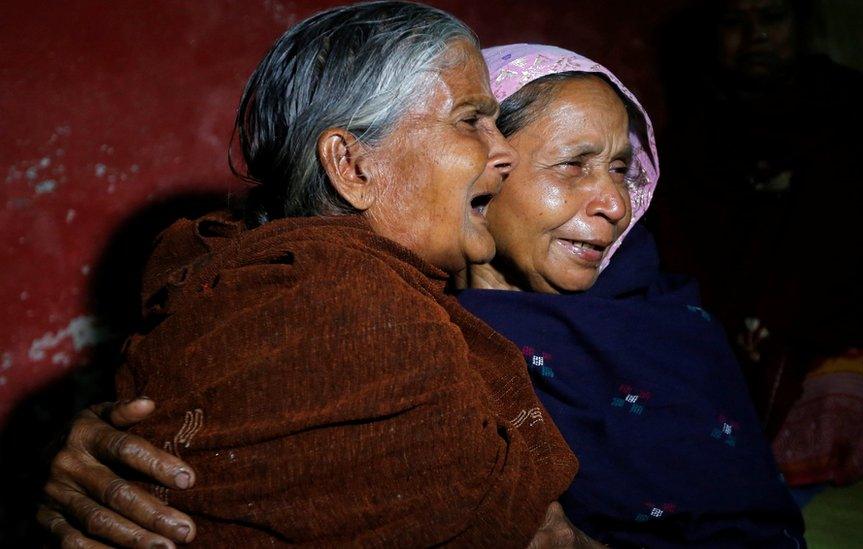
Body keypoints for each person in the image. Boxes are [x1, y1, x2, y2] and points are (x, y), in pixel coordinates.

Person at [41, 41, 805, 547]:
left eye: (622, 167)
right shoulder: (379, 313)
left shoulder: (666, 320)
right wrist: (123, 460)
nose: (614, 201)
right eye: (573, 164)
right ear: (485, 164)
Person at [36, 3, 589, 546]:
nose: (504, 152)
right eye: (471, 120)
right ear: (351, 165)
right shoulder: (346, 299)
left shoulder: (286, 283)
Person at [652, 0, 863, 487]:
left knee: (829, 436)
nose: (755, 36)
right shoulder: (694, 127)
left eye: (772, 18)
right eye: (733, 22)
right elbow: (677, 252)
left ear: (801, 24)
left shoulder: (854, 110)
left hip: (837, 337)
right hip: (718, 335)